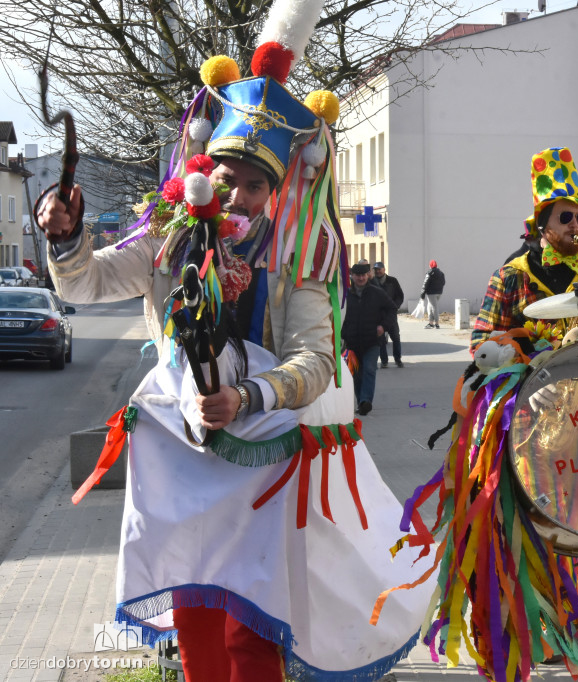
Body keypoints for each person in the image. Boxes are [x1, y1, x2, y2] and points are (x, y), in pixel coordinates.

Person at [35, 4, 429, 678]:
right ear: (204, 175)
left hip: (261, 459)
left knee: (251, 627)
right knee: (195, 618)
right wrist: (65, 236)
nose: (240, 196)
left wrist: (248, 395)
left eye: (255, 186)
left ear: (276, 193)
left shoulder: (301, 256)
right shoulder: (167, 243)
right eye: (228, 180)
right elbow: (86, 285)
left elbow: (315, 360)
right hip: (178, 452)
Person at [471, 147, 578, 353]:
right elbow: (480, 343)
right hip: (534, 382)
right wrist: (521, 349)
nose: (576, 225)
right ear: (542, 226)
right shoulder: (508, 276)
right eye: (565, 217)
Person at [343, 262, 397, 415]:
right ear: (352, 276)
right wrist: (343, 334)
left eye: (363, 275)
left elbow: (392, 308)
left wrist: (383, 326)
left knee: (369, 369)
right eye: (357, 275)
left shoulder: (376, 293)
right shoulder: (345, 295)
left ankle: (366, 400)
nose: (360, 278)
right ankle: (362, 402)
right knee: (356, 374)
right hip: (352, 342)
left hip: (372, 340)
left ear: (368, 275)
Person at [371, 261, 404, 368]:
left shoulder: (392, 281)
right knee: (380, 340)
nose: (377, 271)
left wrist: (396, 306)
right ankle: (384, 361)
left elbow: (400, 295)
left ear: (384, 269)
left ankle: (398, 359)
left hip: (391, 315)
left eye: (379, 269)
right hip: (378, 315)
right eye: (376, 269)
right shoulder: (372, 282)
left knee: (396, 337)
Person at [420, 259, 445, 328]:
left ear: (430, 265)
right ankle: (431, 323)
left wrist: (422, 293)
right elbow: (443, 283)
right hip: (439, 293)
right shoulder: (441, 273)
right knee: (430, 306)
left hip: (431, 293)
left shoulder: (430, 272)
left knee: (434, 307)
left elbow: (425, 283)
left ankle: (436, 323)